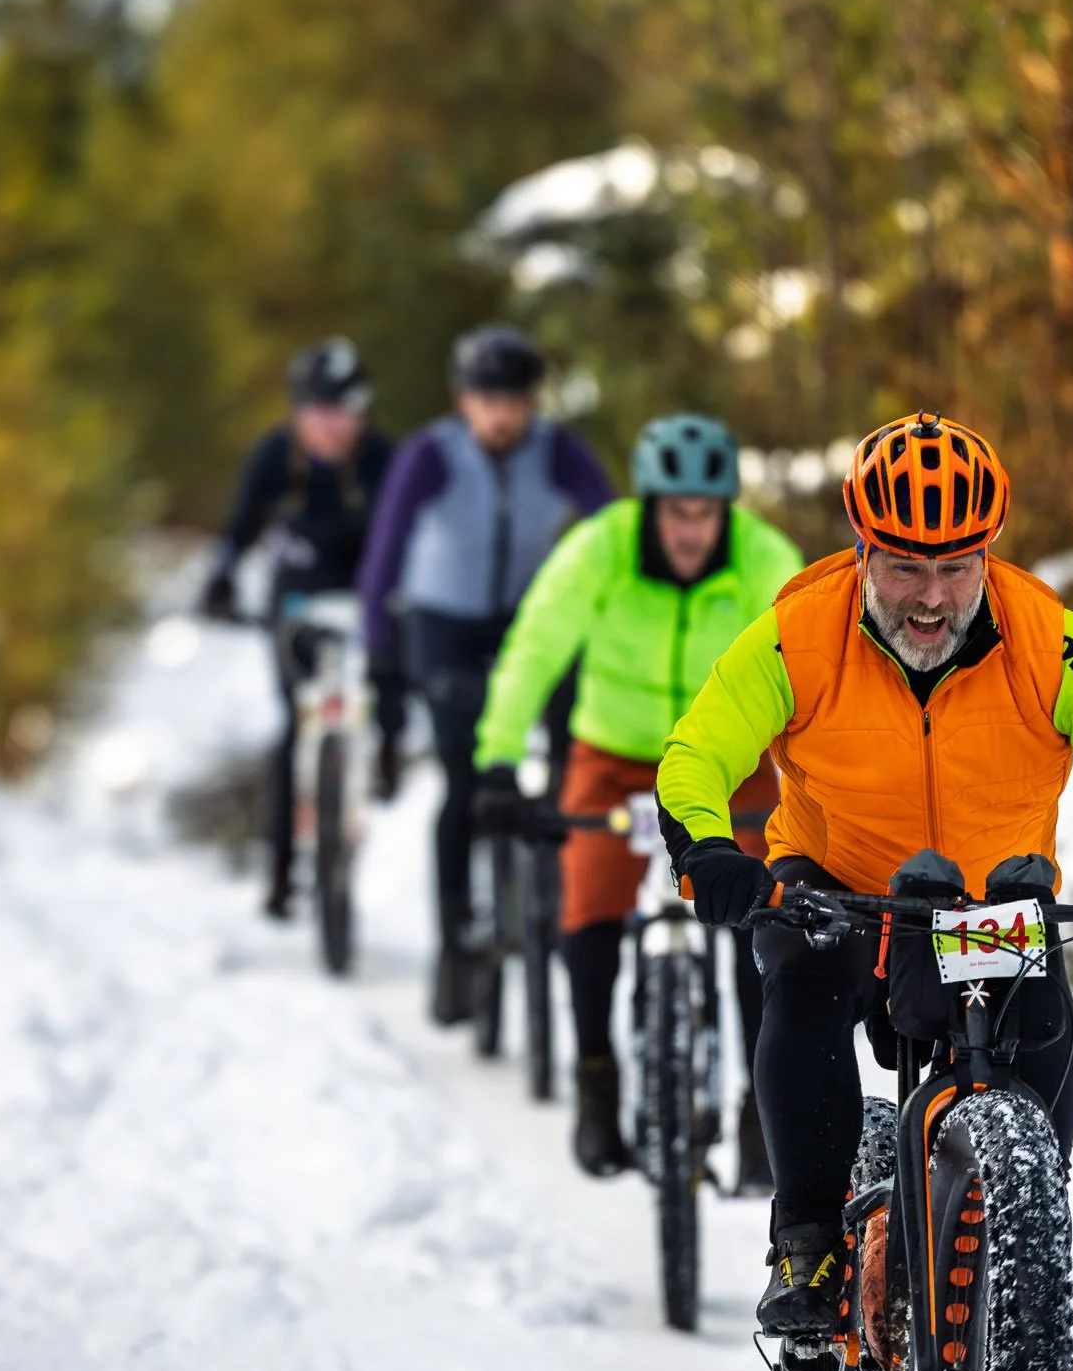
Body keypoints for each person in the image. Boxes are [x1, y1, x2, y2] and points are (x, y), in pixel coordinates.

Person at [655, 410, 1073, 1337]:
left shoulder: (1043, 638)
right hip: (836, 885)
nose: (931, 599)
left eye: (956, 567)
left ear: (988, 555)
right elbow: (696, 755)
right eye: (904, 567)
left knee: (1040, 1030)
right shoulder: (800, 632)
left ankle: (1022, 1233)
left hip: (985, 901)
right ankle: (807, 1239)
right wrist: (708, 850)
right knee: (804, 991)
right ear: (862, 551)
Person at [473, 415, 803, 1177]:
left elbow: (810, 657)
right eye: (675, 512)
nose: (690, 530)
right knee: (588, 908)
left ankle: (762, 1109)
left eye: (705, 513)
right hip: (614, 756)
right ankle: (596, 1078)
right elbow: (535, 646)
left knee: (766, 918)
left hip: (728, 759)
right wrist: (497, 759)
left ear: (725, 511)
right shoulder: (600, 547)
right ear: (649, 507)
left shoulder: (763, 558)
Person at [357, 325, 611, 1021]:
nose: (500, 414)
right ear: (461, 400)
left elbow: (613, 531)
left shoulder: (557, 451)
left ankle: (554, 882)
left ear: (532, 402)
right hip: (443, 627)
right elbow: (382, 559)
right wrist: (380, 656)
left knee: (570, 749)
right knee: (464, 781)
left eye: (514, 400)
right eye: (486, 399)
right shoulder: (429, 456)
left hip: (528, 623)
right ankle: (453, 948)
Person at [200, 338, 398, 919]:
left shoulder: (384, 459)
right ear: (299, 412)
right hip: (297, 602)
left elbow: (413, 534)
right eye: (320, 413)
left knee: (391, 680)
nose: (333, 427)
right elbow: (240, 529)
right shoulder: (274, 456)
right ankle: (283, 869)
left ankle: (387, 751)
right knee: (295, 726)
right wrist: (221, 580)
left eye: (345, 413)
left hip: (367, 595)